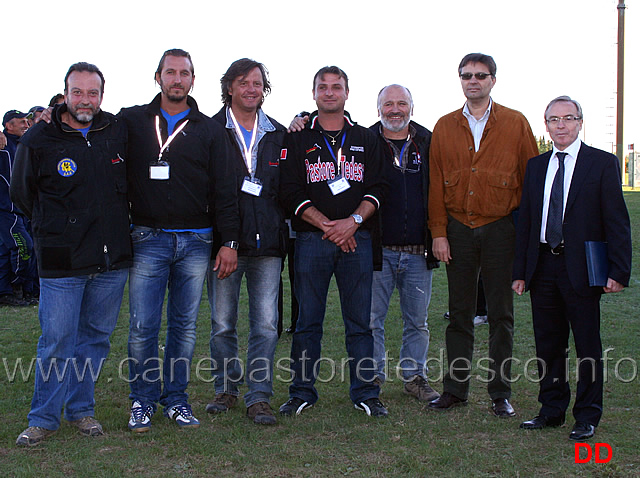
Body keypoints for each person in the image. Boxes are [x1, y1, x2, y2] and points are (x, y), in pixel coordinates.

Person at [11, 62, 132, 446]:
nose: (85, 100)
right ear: (64, 94)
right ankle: (43, 418)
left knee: (95, 339)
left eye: (92, 93)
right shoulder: (39, 138)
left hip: (110, 261)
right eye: (77, 92)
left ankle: (81, 410)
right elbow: (22, 193)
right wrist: (57, 229)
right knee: (57, 341)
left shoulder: (116, 130)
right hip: (62, 259)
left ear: (102, 95)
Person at [121, 48, 239, 432]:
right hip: (148, 238)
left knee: (184, 327)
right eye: (169, 72)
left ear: (193, 79)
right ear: (158, 77)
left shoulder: (208, 129)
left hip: (196, 241)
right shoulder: (133, 121)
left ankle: (176, 399)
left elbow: (225, 189)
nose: (177, 79)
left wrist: (229, 241)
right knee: (142, 326)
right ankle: (142, 400)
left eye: (183, 73)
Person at [513, 96, 631, 441]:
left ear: (580, 122)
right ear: (545, 125)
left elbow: (617, 222)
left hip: (581, 268)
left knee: (586, 344)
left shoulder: (601, 163)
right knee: (548, 343)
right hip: (542, 265)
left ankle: (587, 415)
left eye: (568, 118)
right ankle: (551, 410)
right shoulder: (536, 166)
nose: (560, 125)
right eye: (553, 119)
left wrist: (618, 271)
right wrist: (520, 271)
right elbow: (528, 221)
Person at [427, 53, 538, 417]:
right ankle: (455, 390)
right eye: (466, 75)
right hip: (458, 229)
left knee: (501, 314)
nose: (473, 81)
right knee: (459, 313)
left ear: (493, 80)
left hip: (500, 229)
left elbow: (530, 182)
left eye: (480, 75)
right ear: (460, 80)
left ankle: (500, 392)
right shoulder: (444, 126)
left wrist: (523, 237)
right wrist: (439, 234)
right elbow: (435, 188)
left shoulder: (516, 123)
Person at [279, 66, 388, 418]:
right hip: (312, 241)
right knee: (308, 322)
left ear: (346, 93)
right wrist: (330, 226)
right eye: (322, 87)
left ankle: (366, 393)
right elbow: (289, 191)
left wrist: (352, 223)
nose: (329, 92)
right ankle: (301, 392)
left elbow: (378, 188)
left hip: (357, 240)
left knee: (360, 322)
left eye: (336, 87)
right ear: (314, 94)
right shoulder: (297, 138)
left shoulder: (366, 138)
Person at [205, 59, 287, 425]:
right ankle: (226, 387)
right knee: (223, 322)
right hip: (224, 245)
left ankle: (259, 396)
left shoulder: (279, 133)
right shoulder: (209, 131)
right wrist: (226, 240)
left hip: (268, 245)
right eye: (244, 82)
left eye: (257, 83)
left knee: (265, 325)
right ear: (229, 88)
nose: (251, 89)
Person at [367, 84, 440, 401]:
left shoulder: (429, 140)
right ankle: (371, 379)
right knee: (371, 320)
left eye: (401, 103)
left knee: (418, 321)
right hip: (377, 251)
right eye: (388, 104)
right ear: (378, 107)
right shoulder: (365, 140)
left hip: (417, 252)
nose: (394, 109)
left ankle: (414, 377)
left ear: (412, 107)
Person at [1, 110, 37, 306]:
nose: (26, 124)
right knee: (24, 247)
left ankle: (23, 291)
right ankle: (15, 289)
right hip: (7, 210)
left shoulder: (21, 146)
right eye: (21, 121)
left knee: (23, 249)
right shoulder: (3, 144)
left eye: (27, 121)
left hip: (21, 211)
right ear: (8, 126)